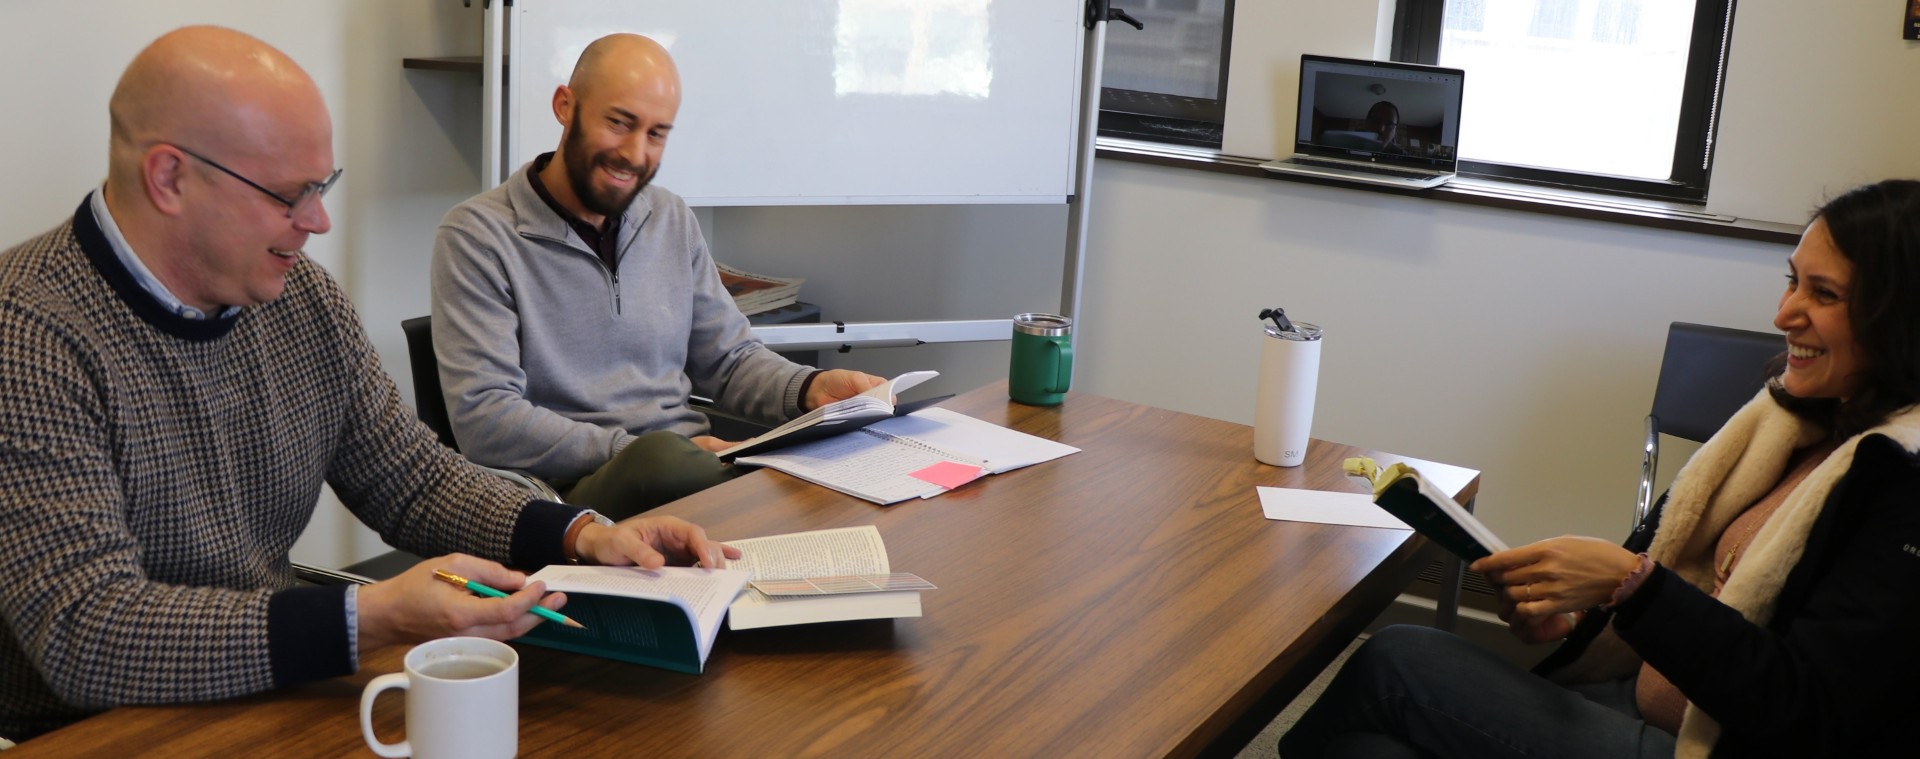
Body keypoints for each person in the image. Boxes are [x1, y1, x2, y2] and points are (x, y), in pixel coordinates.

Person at [0, 26, 740, 743]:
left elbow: (409, 476)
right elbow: (85, 632)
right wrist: (373, 616)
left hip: (272, 682)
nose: (318, 220)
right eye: (290, 193)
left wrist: (581, 534)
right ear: (170, 178)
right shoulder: (29, 332)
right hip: (92, 727)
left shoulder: (300, 298)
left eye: (323, 185)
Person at [1281, 179, 1920, 758]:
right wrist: (1580, 618)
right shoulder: (1802, 425)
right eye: (1792, 281)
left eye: (1824, 294)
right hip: (1639, 694)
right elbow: (1703, 597)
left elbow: (1810, 716)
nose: (1784, 314)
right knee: (1367, 749)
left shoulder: (1901, 485)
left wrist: (1631, 584)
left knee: (1399, 659)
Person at [431, 33, 886, 519]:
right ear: (565, 106)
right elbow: (487, 421)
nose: (634, 152)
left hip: (688, 471)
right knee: (667, 462)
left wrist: (810, 388)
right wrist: (632, 451)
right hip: (571, 498)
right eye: (619, 123)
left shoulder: (670, 217)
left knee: (833, 466)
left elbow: (729, 360)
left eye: (655, 134)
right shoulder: (478, 236)